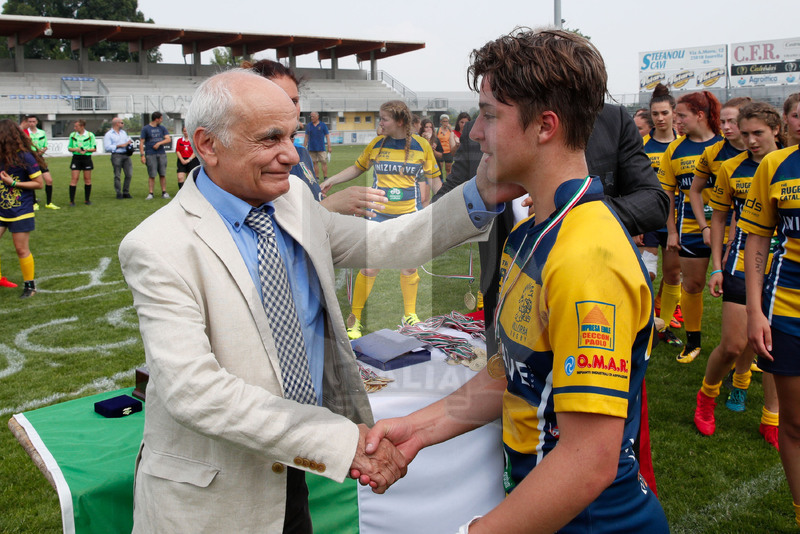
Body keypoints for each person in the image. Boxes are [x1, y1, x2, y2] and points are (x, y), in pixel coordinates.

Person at [119, 69, 509, 532]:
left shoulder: (295, 201)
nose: (290, 154)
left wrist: (481, 194)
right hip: (213, 503)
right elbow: (196, 392)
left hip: (291, 482)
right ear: (207, 144)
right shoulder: (158, 244)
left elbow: (388, 242)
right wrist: (341, 442)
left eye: (292, 134)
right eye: (270, 139)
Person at [361, 28, 669, 533]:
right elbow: (513, 373)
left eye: (488, 115)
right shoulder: (528, 234)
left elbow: (588, 462)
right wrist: (417, 428)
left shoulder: (587, 255)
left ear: (545, 126)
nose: (475, 134)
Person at [694, 102, 783, 448]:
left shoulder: (790, 166)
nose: (750, 140)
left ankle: (771, 418)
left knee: (776, 348)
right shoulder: (730, 168)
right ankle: (707, 396)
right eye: (744, 134)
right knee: (733, 344)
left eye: (757, 133)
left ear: (775, 130)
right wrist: (717, 264)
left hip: (784, 267)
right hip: (741, 263)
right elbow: (719, 219)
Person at [320, 100, 442, 339]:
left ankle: (409, 315)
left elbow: (436, 181)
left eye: (384, 119)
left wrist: (448, 206)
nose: (380, 123)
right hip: (377, 216)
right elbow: (357, 168)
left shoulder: (421, 146)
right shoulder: (376, 144)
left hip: (409, 216)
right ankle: (354, 321)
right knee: (370, 266)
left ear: (399, 121)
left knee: (408, 266)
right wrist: (331, 179)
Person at [739, 99, 800, 529]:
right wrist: (755, 310)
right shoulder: (776, 166)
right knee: (794, 424)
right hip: (787, 309)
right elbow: (757, 241)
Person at [244, 58, 387, 217]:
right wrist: (329, 206)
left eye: (294, 100)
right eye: (280, 98)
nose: (290, 107)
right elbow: (276, 229)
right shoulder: (253, 163)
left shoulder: (300, 154)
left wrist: (317, 198)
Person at [659, 91, 723, 363]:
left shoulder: (726, 145)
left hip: (729, 229)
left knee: (737, 287)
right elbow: (668, 195)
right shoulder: (675, 149)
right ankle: (692, 342)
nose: (677, 120)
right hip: (689, 230)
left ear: (700, 115)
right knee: (693, 285)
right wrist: (672, 231)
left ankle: (744, 348)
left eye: (682, 115)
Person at [640, 84, 682, 347]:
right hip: (647, 215)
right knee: (647, 272)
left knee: (673, 275)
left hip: (676, 217)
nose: (660, 118)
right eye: (655, 114)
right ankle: (644, 325)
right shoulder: (642, 145)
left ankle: (664, 326)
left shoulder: (682, 146)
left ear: (673, 113)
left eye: (664, 113)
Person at [0, 119, 44, 297]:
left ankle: (30, 286)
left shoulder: (25, 156)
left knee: (21, 249)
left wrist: (14, 182)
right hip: (1, 209)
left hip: (20, 210)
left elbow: (39, 184)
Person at [24, 115, 58, 210]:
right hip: (30, 159)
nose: (31, 123)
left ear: (36, 122)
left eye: (33, 121)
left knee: (49, 180)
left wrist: (42, 150)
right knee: (33, 180)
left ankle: (49, 203)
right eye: (29, 121)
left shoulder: (42, 132)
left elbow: (45, 145)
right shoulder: (25, 133)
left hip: (40, 158)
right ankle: (34, 203)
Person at [140, 111, 171, 200]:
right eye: (161, 118)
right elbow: (141, 142)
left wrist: (159, 143)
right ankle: (151, 193)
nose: (161, 120)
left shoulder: (162, 128)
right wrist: (142, 155)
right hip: (150, 154)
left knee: (162, 174)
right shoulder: (146, 129)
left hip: (161, 153)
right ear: (157, 119)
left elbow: (168, 139)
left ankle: (164, 192)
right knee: (152, 175)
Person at [103, 117, 134, 199]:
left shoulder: (123, 133)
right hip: (116, 155)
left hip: (126, 155)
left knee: (129, 174)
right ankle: (118, 193)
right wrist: (119, 145)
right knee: (117, 175)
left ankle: (126, 192)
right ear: (117, 123)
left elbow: (128, 141)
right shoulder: (109, 134)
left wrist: (129, 144)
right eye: (122, 122)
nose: (123, 124)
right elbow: (107, 147)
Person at [67, 119, 96, 206]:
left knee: (87, 179)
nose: (74, 128)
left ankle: (87, 200)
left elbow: (94, 148)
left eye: (76, 126)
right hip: (76, 158)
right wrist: (77, 149)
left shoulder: (90, 135)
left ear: (82, 126)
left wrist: (86, 150)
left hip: (87, 158)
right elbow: (69, 148)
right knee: (74, 179)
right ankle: (72, 201)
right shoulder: (72, 135)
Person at [303, 111, 331, 181]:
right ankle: (317, 177)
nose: (312, 118)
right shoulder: (309, 125)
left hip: (321, 148)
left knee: (323, 162)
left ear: (317, 117)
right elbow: (306, 137)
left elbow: (327, 136)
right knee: (315, 163)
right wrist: (304, 146)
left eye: (313, 116)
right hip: (311, 148)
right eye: (311, 117)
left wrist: (329, 146)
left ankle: (325, 177)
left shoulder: (323, 125)